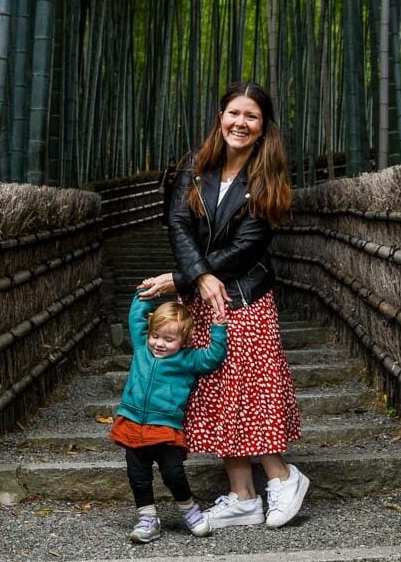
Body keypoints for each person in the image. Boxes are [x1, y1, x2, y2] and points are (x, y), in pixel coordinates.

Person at [137, 80, 309, 530]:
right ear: (220, 117)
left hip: (245, 295)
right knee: (214, 391)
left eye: (251, 116)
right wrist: (197, 276)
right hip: (204, 292)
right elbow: (177, 224)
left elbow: (249, 246)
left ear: (262, 127)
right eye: (234, 113)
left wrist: (181, 277)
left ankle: (283, 475)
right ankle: (243, 496)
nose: (241, 122)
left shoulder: (268, 179)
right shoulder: (194, 168)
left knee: (247, 389)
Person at [109, 291, 228, 543]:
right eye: (155, 336)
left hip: (166, 428)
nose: (159, 343)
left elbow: (212, 358)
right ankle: (148, 519)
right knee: (138, 476)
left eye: (169, 339)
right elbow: (136, 316)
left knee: (173, 473)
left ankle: (190, 511)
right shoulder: (142, 349)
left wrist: (219, 329)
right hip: (132, 425)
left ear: (184, 341)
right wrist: (147, 292)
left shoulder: (187, 360)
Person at [159, 156, 178, 226]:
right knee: (167, 207)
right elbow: (160, 181)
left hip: (175, 193)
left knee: (174, 208)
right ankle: (166, 222)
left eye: (173, 163)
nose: (172, 165)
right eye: (171, 163)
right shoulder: (166, 171)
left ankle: (173, 221)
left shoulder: (178, 172)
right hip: (167, 193)